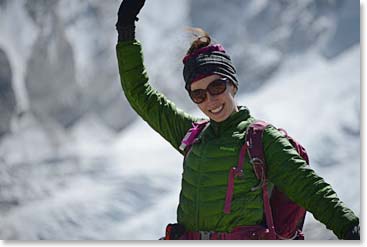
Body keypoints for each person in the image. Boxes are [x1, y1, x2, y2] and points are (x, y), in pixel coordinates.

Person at [115, 0, 359, 240]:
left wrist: (350, 229)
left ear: (232, 84)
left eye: (217, 86)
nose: (210, 99)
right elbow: (140, 94)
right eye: (198, 94)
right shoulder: (191, 136)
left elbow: (309, 188)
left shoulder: (262, 140)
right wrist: (126, 29)